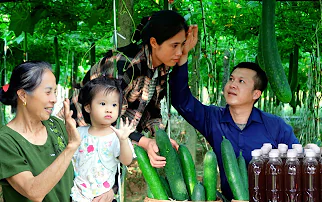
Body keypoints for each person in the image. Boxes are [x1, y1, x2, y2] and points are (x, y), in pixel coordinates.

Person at [168, 34, 299, 199]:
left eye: (241, 81)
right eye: (231, 79)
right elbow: (181, 100)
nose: (232, 84)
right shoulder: (212, 119)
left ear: (256, 94)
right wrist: (183, 57)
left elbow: (297, 166)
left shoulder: (276, 126)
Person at [58, 10, 189, 166]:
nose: (180, 52)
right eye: (174, 45)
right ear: (154, 43)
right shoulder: (124, 66)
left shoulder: (160, 68)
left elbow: (152, 109)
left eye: (182, 45)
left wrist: (161, 138)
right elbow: (106, 115)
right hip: (80, 138)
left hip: (108, 143)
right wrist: (144, 142)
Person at [0, 61, 114, 202]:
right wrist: (71, 146)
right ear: (23, 95)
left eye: (54, 92)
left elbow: (87, 167)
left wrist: (107, 190)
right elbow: (33, 191)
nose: (54, 99)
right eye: (48, 92)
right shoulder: (5, 141)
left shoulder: (56, 126)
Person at [70, 76, 135, 201]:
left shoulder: (117, 136)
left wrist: (123, 140)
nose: (109, 109)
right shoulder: (79, 133)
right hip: (78, 196)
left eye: (114, 105)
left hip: (104, 198)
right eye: (103, 103)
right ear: (88, 107)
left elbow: (126, 161)